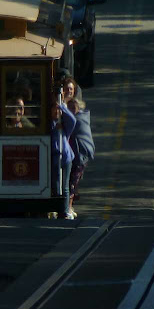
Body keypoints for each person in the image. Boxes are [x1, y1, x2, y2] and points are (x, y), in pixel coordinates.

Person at [66, 97, 95, 218]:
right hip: (76, 156)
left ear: (79, 108)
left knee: (72, 182)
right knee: (71, 182)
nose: (72, 110)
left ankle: (68, 208)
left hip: (80, 157)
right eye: (70, 108)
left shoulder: (79, 119)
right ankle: (69, 207)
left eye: (74, 108)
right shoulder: (75, 117)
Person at [50, 91, 76, 219]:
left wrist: (62, 106)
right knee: (55, 185)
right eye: (54, 110)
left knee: (65, 186)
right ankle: (55, 209)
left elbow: (73, 120)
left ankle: (64, 211)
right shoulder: (50, 125)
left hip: (66, 158)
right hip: (54, 158)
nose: (56, 112)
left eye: (57, 110)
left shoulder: (64, 126)